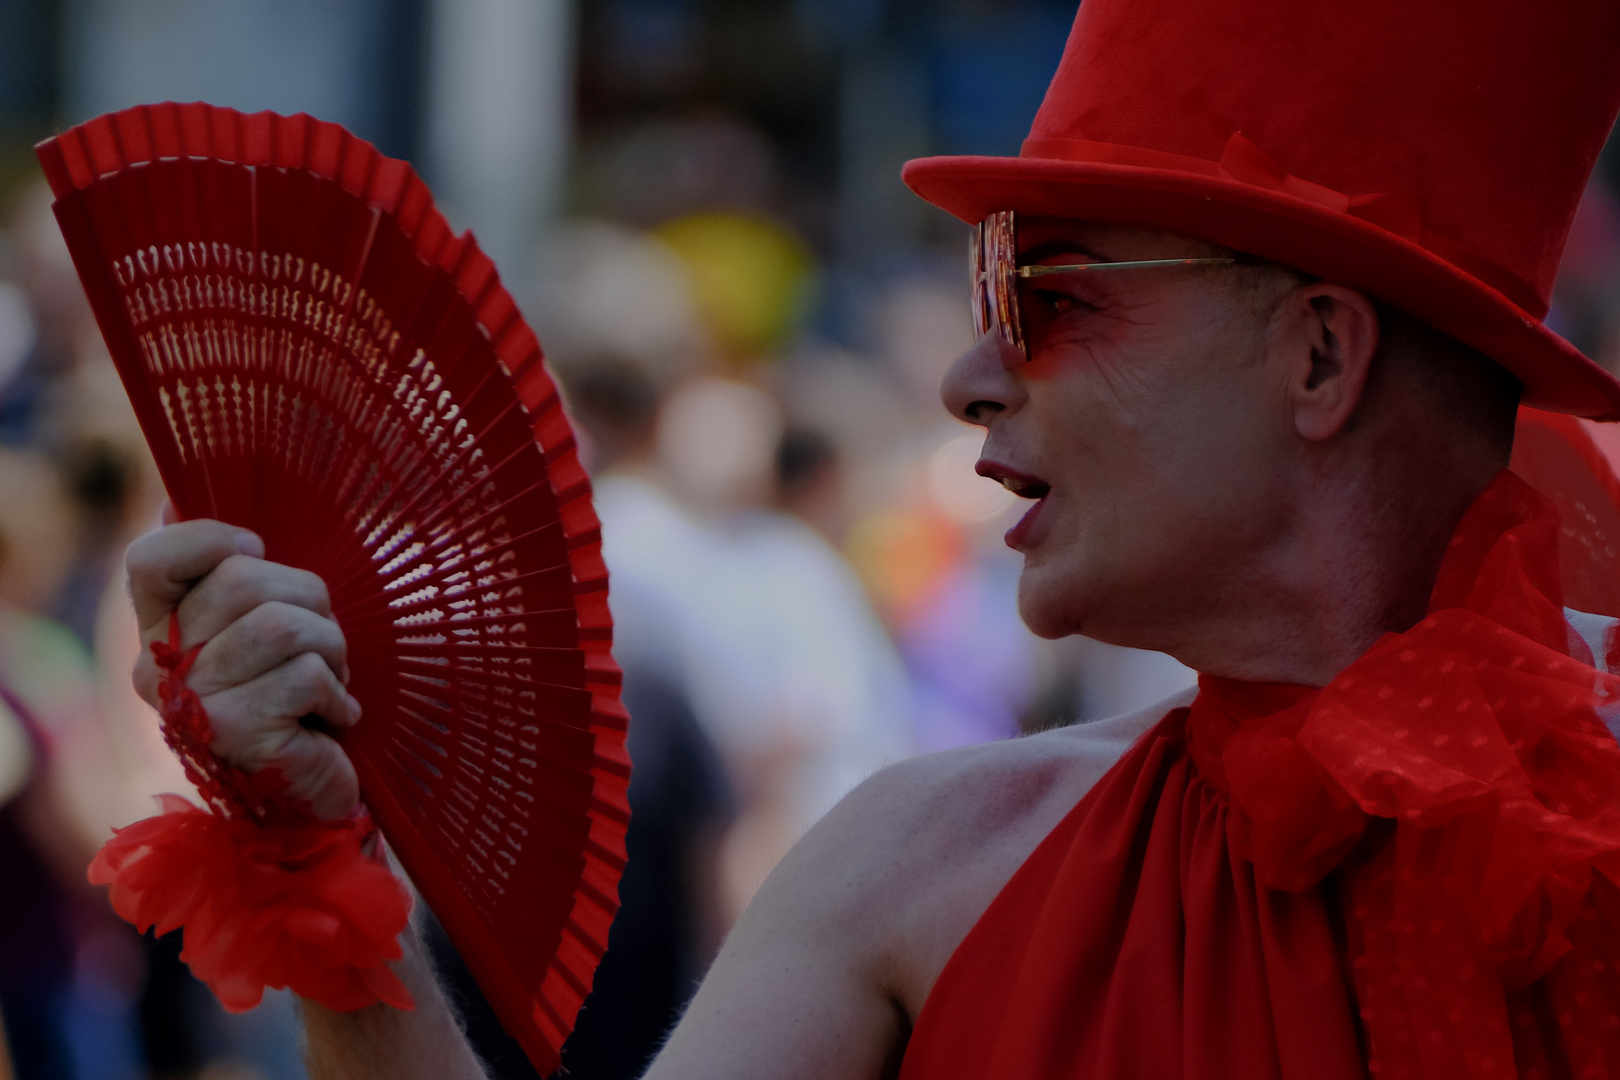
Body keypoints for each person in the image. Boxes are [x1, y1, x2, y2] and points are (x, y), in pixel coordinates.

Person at [113, 0, 1620, 1076]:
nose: (969, 374)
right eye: (979, 291)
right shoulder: (921, 867)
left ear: (1317, 358)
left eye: (1048, 296)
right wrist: (323, 861)